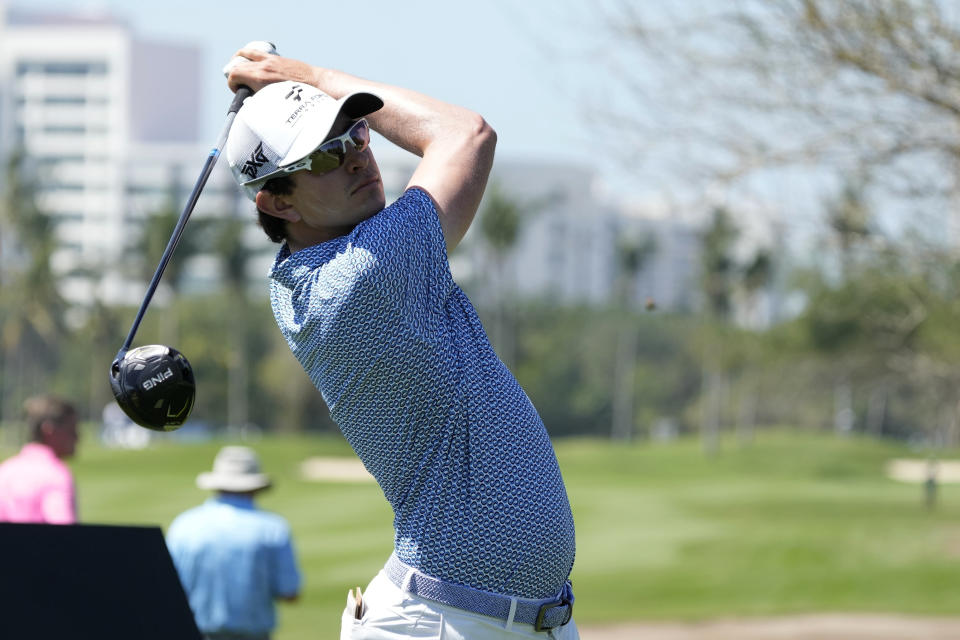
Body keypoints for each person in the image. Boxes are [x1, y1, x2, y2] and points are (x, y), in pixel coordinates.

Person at [223, 46, 577, 639]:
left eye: (356, 133)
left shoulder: (318, 267)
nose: (360, 158)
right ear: (278, 201)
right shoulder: (368, 270)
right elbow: (468, 133)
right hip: (442, 624)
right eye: (327, 154)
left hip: (510, 620)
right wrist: (309, 77)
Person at [166, 446, 301, 640]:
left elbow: (170, 589)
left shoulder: (184, 525)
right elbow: (289, 592)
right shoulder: (273, 529)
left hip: (194, 632)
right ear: (255, 486)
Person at [0, 395, 79, 524]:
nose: (77, 437)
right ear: (49, 430)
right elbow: (65, 536)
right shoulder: (56, 475)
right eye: (71, 430)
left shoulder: (4, 471)